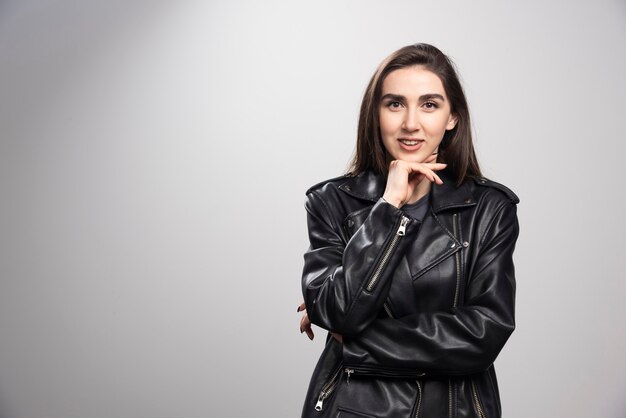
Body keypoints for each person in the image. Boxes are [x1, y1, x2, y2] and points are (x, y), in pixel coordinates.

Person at [297, 43, 519, 418]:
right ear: (376, 115)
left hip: (454, 407)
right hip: (356, 406)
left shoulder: (489, 208)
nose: (411, 124)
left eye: (429, 105)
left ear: (452, 118)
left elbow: (484, 332)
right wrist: (389, 206)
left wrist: (354, 340)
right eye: (395, 104)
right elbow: (340, 311)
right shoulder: (331, 202)